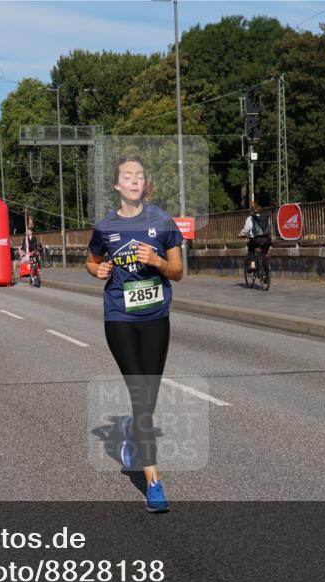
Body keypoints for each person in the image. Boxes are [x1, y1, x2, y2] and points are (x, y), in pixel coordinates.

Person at [85, 157, 184, 513]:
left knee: (149, 396)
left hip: (156, 316)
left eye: (140, 175)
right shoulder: (105, 226)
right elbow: (92, 260)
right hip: (120, 317)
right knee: (141, 395)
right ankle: (154, 482)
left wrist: (157, 262)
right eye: (127, 176)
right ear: (117, 185)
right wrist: (99, 270)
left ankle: (130, 428)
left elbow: (178, 271)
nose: (134, 180)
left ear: (145, 183)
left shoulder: (162, 221)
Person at [239, 202, 271, 272]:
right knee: (264, 253)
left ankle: (253, 265)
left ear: (252, 211)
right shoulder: (265, 217)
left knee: (251, 248)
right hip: (267, 239)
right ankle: (267, 270)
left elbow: (246, 229)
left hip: (256, 240)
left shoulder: (250, 218)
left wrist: (241, 234)